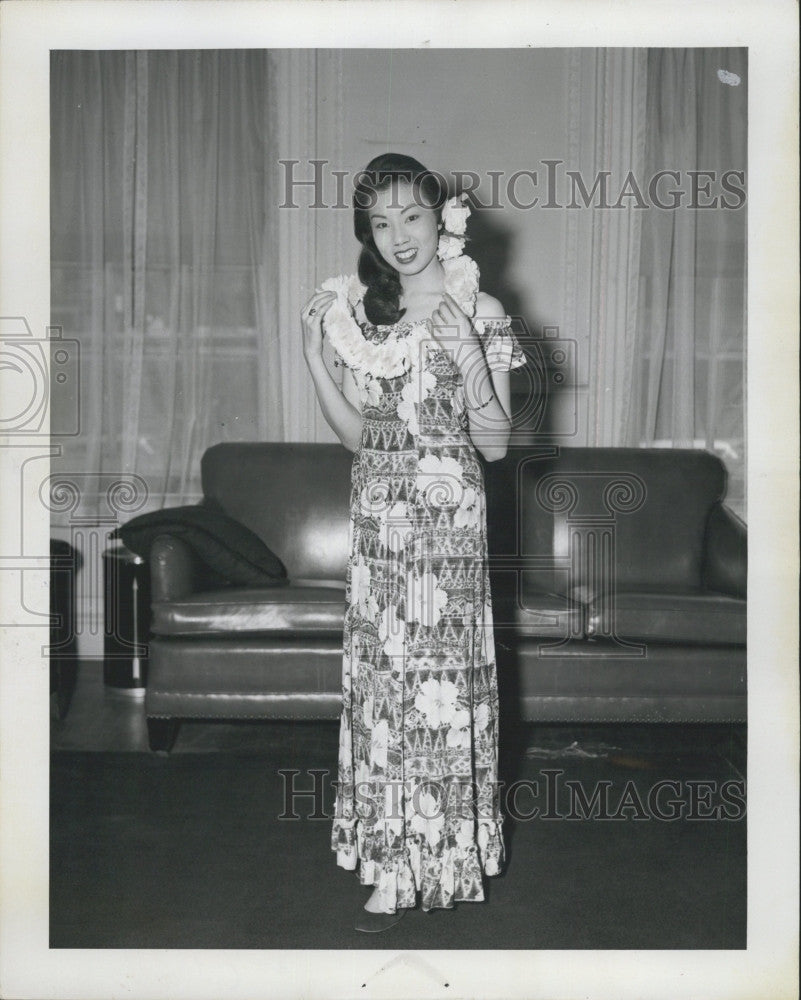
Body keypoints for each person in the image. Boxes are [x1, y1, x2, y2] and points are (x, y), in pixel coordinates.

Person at [301, 153, 526, 932]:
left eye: (411, 216)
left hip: (447, 520)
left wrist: (467, 349)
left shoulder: (484, 307)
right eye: (380, 222)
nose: (398, 236)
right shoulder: (366, 313)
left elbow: (495, 445)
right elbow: (362, 438)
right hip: (377, 517)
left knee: (434, 692)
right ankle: (388, 854)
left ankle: (428, 864)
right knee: (382, 690)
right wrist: (315, 363)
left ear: (443, 217)